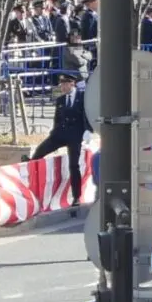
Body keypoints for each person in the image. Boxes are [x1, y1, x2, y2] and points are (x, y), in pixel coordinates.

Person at [31, 74, 91, 206]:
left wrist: (88, 130)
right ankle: (30, 178)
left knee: (74, 165)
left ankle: (76, 197)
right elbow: (57, 119)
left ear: (72, 84)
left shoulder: (82, 98)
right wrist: (53, 133)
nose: (62, 87)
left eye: (65, 84)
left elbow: (87, 115)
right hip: (61, 134)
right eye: (61, 84)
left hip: (75, 135)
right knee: (39, 152)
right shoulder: (61, 100)